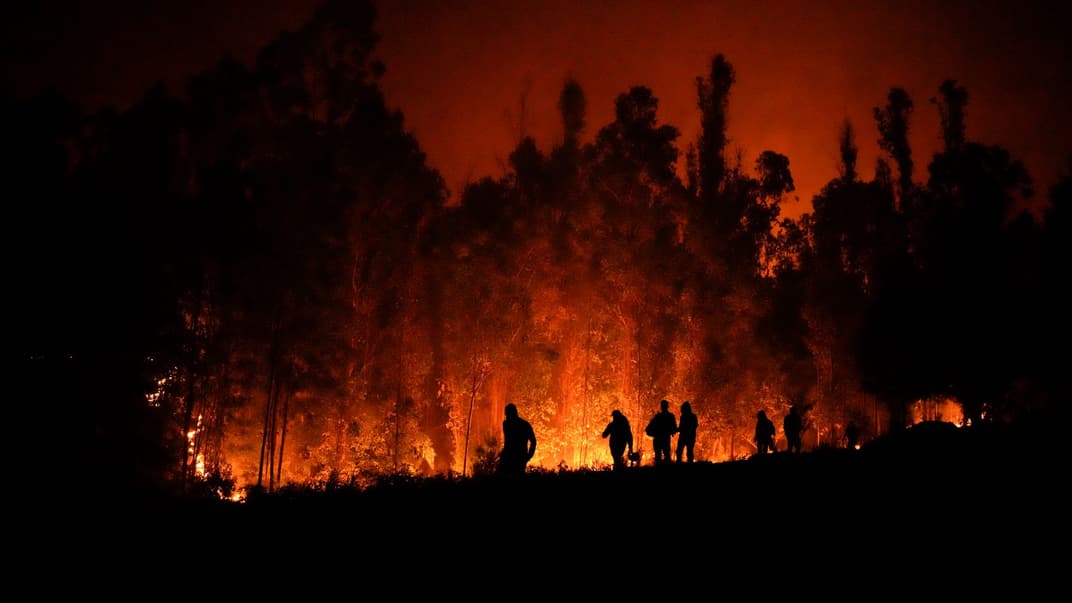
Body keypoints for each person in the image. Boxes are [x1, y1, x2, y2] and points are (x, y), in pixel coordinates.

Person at [498, 403, 536, 477]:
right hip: (518, 457)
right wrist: (528, 456)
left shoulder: (506, 425)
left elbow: (508, 443)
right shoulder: (525, 425)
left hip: (511, 457)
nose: (506, 416)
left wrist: (528, 456)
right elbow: (533, 441)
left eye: (507, 414)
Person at [644, 399, 678, 465]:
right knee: (666, 456)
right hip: (665, 439)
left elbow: (647, 429)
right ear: (667, 406)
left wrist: (654, 434)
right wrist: (671, 432)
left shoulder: (658, 417)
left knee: (659, 457)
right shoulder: (670, 416)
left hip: (658, 439)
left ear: (661, 407)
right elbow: (674, 428)